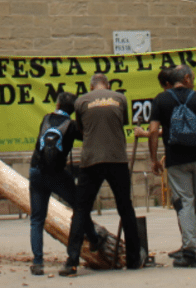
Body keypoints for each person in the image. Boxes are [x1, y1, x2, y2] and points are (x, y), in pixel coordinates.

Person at [62, 73, 145, 276]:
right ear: (107, 85)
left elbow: (82, 129)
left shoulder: (81, 101)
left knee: (81, 211)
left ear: (91, 86)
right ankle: (134, 259)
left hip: (91, 160)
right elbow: (122, 123)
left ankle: (71, 262)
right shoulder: (120, 98)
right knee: (126, 208)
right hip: (117, 159)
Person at [149, 65, 196, 269]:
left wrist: (154, 159)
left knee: (185, 203)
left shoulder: (160, 100)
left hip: (176, 159)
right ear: (187, 78)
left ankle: (191, 251)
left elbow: (154, 131)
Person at [27, 91, 81, 276]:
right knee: (79, 206)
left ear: (57, 105)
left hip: (37, 170)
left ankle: (37, 262)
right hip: (57, 174)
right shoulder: (72, 126)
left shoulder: (46, 118)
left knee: (37, 219)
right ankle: (94, 239)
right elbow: (85, 134)